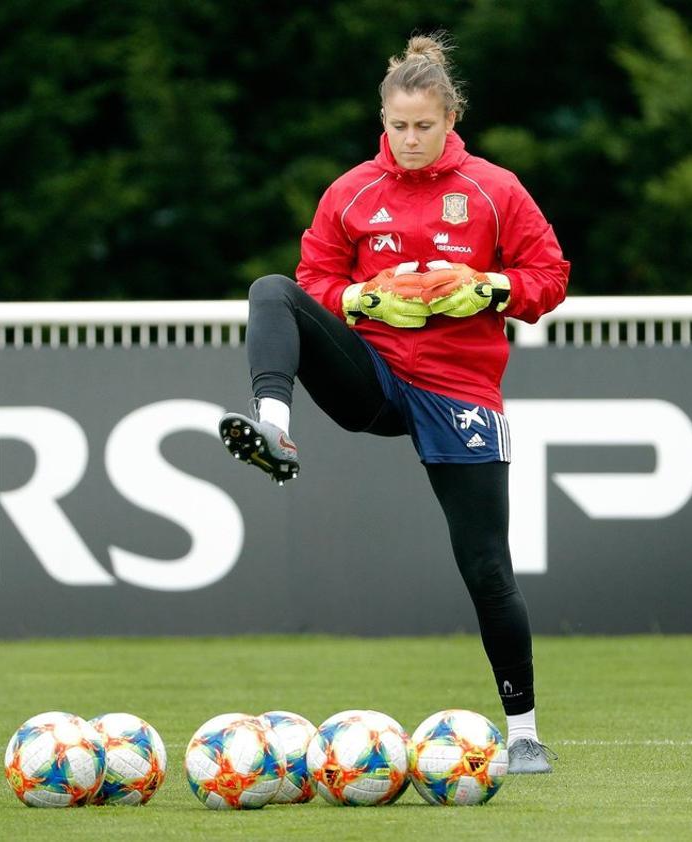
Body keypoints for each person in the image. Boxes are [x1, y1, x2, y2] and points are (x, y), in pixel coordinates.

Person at [219, 32, 569, 773]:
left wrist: (489, 287)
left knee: (485, 568)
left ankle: (525, 732)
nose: (409, 141)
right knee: (269, 291)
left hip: (458, 389)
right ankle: (274, 430)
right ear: (383, 118)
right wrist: (359, 297)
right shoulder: (350, 191)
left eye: (424, 126)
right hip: (371, 375)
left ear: (450, 119)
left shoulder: (493, 189)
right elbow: (313, 278)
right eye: (397, 126)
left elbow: (549, 274)